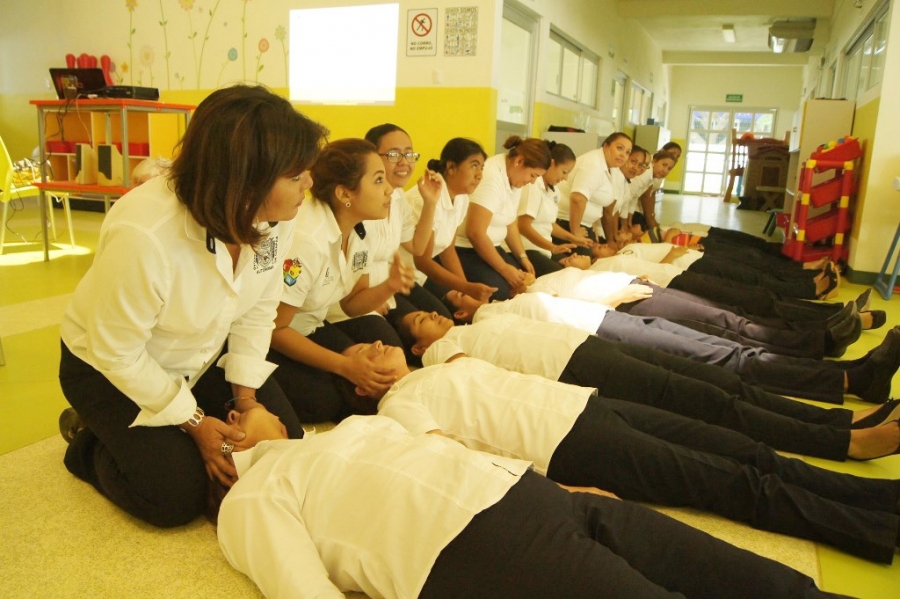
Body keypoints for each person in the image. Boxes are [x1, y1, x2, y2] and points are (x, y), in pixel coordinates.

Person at [340, 342, 900, 564]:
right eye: (366, 351)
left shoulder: (445, 362)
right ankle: (872, 527)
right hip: (571, 445)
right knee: (729, 481)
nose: (379, 344)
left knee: (745, 449)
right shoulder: (397, 409)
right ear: (364, 385)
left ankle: (877, 494)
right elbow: (453, 458)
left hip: (587, 404)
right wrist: (555, 492)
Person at [216, 412, 855, 598]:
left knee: (718, 565)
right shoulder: (252, 496)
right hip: (469, 550)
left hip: (528, 495)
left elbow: (450, 447)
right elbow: (302, 589)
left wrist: (562, 488)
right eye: (236, 409)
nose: (251, 404)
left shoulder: (350, 426)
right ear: (228, 442)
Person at [56, 85, 319, 527]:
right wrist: (195, 424)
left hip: (198, 352)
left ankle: (165, 434)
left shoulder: (274, 218)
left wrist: (247, 399)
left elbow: (257, 309)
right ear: (245, 179)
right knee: (174, 496)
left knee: (283, 442)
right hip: (107, 366)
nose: (309, 185)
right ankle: (88, 440)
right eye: (296, 176)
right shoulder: (146, 234)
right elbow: (117, 353)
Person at [395, 310, 900, 460]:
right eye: (420, 319)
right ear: (417, 347)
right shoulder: (441, 355)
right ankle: (841, 441)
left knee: (718, 382)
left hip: (589, 348)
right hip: (576, 373)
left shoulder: (474, 321)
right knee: (711, 401)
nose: (431, 314)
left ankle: (840, 418)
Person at [439, 289, 899, 405]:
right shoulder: (482, 323)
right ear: (460, 315)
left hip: (617, 311)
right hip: (603, 334)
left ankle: (826, 352)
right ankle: (848, 377)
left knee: (728, 337)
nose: (466, 292)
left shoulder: (510, 298)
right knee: (725, 355)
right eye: (451, 301)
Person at [268, 138, 416, 423]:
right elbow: (275, 329)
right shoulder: (307, 241)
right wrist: (345, 366)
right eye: (378, 180)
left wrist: (389, 286)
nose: (389, 190)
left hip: (310, 324)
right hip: (274, 335)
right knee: (325, 401)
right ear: (344, 193)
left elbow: (351, 304)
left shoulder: (360, 231)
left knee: (381, 365)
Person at [530, 263, 861, 363]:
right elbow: (565, 316)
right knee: (727, 325)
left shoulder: (554, 273)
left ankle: (816, 335)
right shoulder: (534, 296)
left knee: (732, 315)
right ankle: (818, 344)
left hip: (637, 286)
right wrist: (617, 297)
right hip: (630, 301)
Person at [340, 123, 450, 321]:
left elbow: (417, 247)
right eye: (393, 154)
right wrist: (371, 298)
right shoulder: (361, 201)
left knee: (443, 317)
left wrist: (430, 202)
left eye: (408, 154)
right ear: (372, 158)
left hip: (387, 286)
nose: (404, 162)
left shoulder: (398, 197)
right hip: (353, 295)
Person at [455, 135, 551, 300]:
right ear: (519, 161)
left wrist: (522, 256)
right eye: (533, 175)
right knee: (503, 292)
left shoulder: (514, 176)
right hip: (465, 249)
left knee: (525, 284)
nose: (533, 182)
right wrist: (504, 269)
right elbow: (475, 233)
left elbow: (510, 220)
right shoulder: (492, 177)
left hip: (492, 245)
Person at [404, 138, 496, 303]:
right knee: (448, 314)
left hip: (421, 273)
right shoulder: (426, 198)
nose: (480, 175)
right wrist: (466, 288)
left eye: (482, 168)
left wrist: (466, 289)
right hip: (402, 272)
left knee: (471, 304)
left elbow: (448, 249)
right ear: (451, 167)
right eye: (474, 166)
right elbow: (423, 262)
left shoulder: (461, 198)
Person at [516, 140, 589, 268]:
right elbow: (523, 226)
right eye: (564, 172)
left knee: (576, 268)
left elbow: (549, 224)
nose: (565, 178)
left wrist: (572, 238)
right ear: (552, 163)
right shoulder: (533, 184)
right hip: (528, 248)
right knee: (563, 275)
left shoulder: (554, 191)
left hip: (545, 248)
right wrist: (552, 247)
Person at [555, 132, 632, 250]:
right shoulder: (593, 165)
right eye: (619, 148)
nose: (623, 155)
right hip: (565, 223)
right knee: (587, 261)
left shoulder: (610, 167)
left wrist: (592, 226)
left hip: (583, 224)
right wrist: (575, 231)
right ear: (606, 146)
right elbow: (577, 198)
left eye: (627, 152)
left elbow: (594, 200)